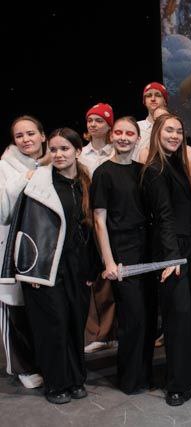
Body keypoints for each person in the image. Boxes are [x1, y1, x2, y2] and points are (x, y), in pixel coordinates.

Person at [2, 128, 99, 404]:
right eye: (54, 149)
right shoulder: (37, 182)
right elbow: (21, 226)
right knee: (52, 328)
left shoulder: (85, 182)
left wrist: (91, 269)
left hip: (78, 268)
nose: (58, 154)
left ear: (78, 151)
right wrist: (28, 269)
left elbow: (91, 229)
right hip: (44, 269)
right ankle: (57, 384)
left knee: (74, 325)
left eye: (64, 149)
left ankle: (76, 379)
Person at [90, 117, 154, 395]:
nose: (124, 137)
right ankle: (130, 379)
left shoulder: (142, 171)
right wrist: (109, 261)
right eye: (119, 132)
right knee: (132, 318)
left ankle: (145, 375)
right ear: (112, 136)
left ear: (138, 138)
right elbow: (99, 220)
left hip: (146, 248)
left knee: (148, 316)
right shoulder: (103, 173)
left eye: (130, 133)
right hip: (122, 251)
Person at [141, 114, 191, 406]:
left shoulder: (178, 164)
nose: (175, 135)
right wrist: (171, 257)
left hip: (188, 247)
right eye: (169, 130)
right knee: (176, 318)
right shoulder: (154, 168)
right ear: (156, 134)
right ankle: (176, 386)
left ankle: (187, 372)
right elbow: (163, 216)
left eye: (179, 131)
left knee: (189, 315)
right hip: (171, 251)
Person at [0, 116, 48, 389]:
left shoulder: (53, 160)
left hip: (41, 249)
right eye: (19, 136)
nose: (26, 139)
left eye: (31, 133)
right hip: (11, 248)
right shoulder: (5, 166)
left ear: (42, 135)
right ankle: (22, 367)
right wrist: (26, 177)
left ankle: (41, 360)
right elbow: (2, 211)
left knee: (37, 309)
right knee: (13, 309)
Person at [80, 102, 117, 355]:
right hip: (89, 218)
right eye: (90, 120)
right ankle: (98, 332)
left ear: (109, 125)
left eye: (99, 120)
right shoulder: (80, 154)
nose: (93, 124)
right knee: (94, 275)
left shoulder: (117, 151)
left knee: (113, 273)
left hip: (115, 218)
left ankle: (112, 331)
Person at [133, 81, 169, 162]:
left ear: (165, 101)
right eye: (149, 96)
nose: (153, 99)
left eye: (158, 95)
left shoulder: (174, 126)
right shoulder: (136, 127)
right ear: (144, 101)